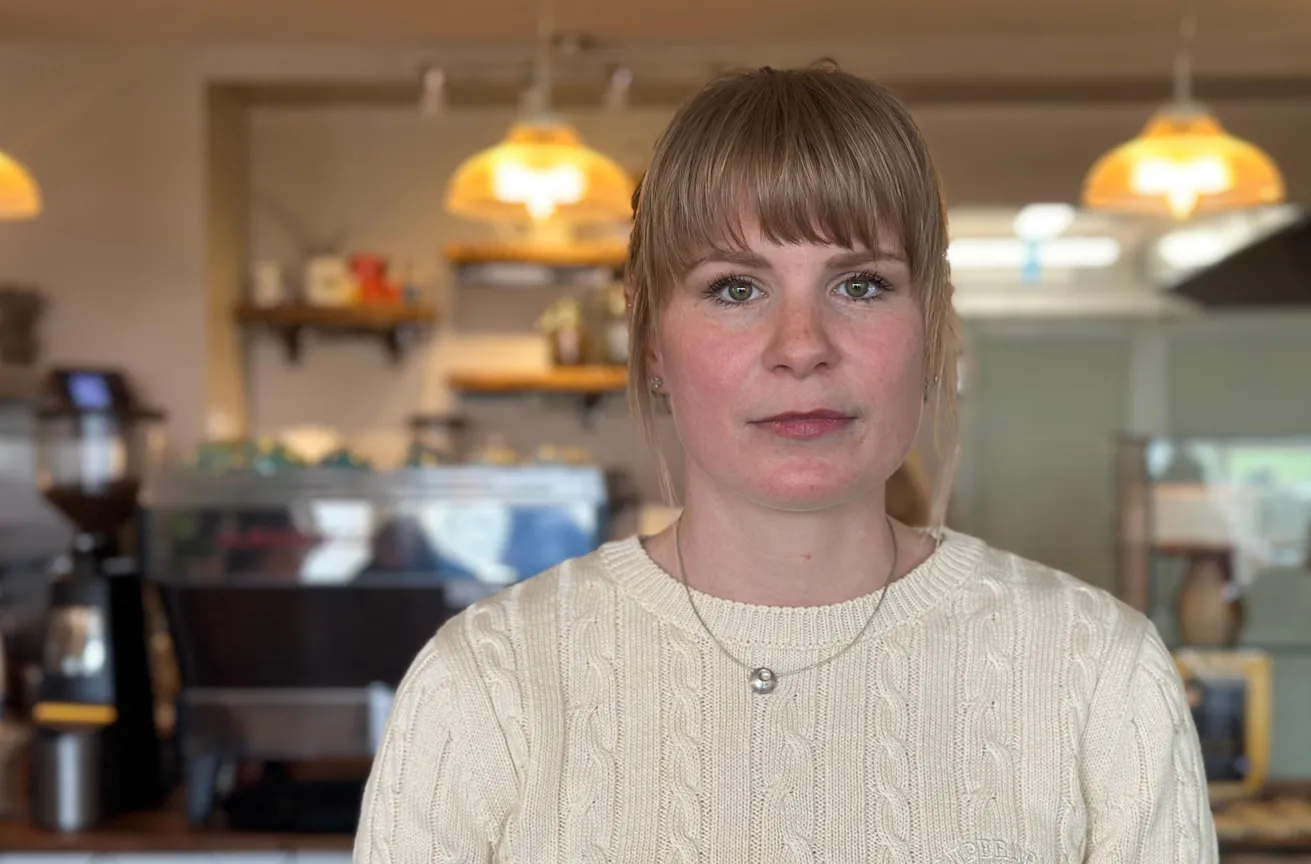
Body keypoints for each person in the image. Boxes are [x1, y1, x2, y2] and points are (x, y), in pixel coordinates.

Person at [355, 64, 1216, 863]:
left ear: (932, 328)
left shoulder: (1097, 675)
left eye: (861, 284)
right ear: (652, 338)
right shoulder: (488, 686)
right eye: (735, 288)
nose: (802, 347)